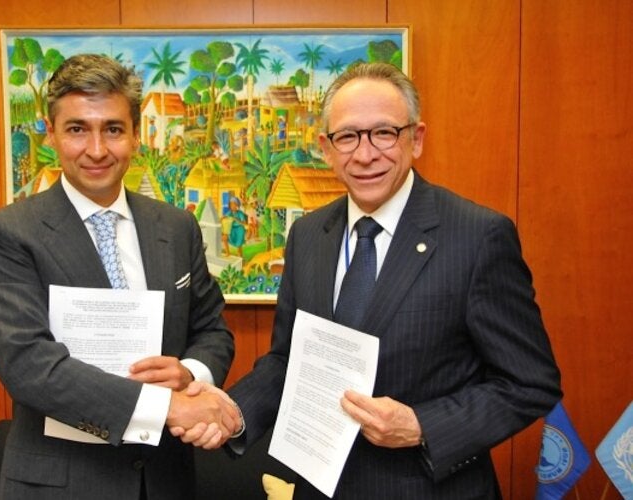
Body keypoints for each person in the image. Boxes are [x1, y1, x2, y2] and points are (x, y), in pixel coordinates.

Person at [176, 62, 562, 498]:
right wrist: (234, 411)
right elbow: (288, 359)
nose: (364, 155)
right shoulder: (307, 235)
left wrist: (422, 426)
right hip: (319, 486)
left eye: (384, 133)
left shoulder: (477, 237)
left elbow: (529, 383)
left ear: (416, 139)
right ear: (326, 147)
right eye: (348, 136)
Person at [0, 54, 238, 500]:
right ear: (51, 133)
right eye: (77, 129)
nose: (97, 150)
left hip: (164, 480)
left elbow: (211, 329)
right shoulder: (6, 233)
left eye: (113, 129)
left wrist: (188, 375)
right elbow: (28, 364)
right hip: (60, 485)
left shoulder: (175, 226)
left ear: (135, 135)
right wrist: (169, 407)